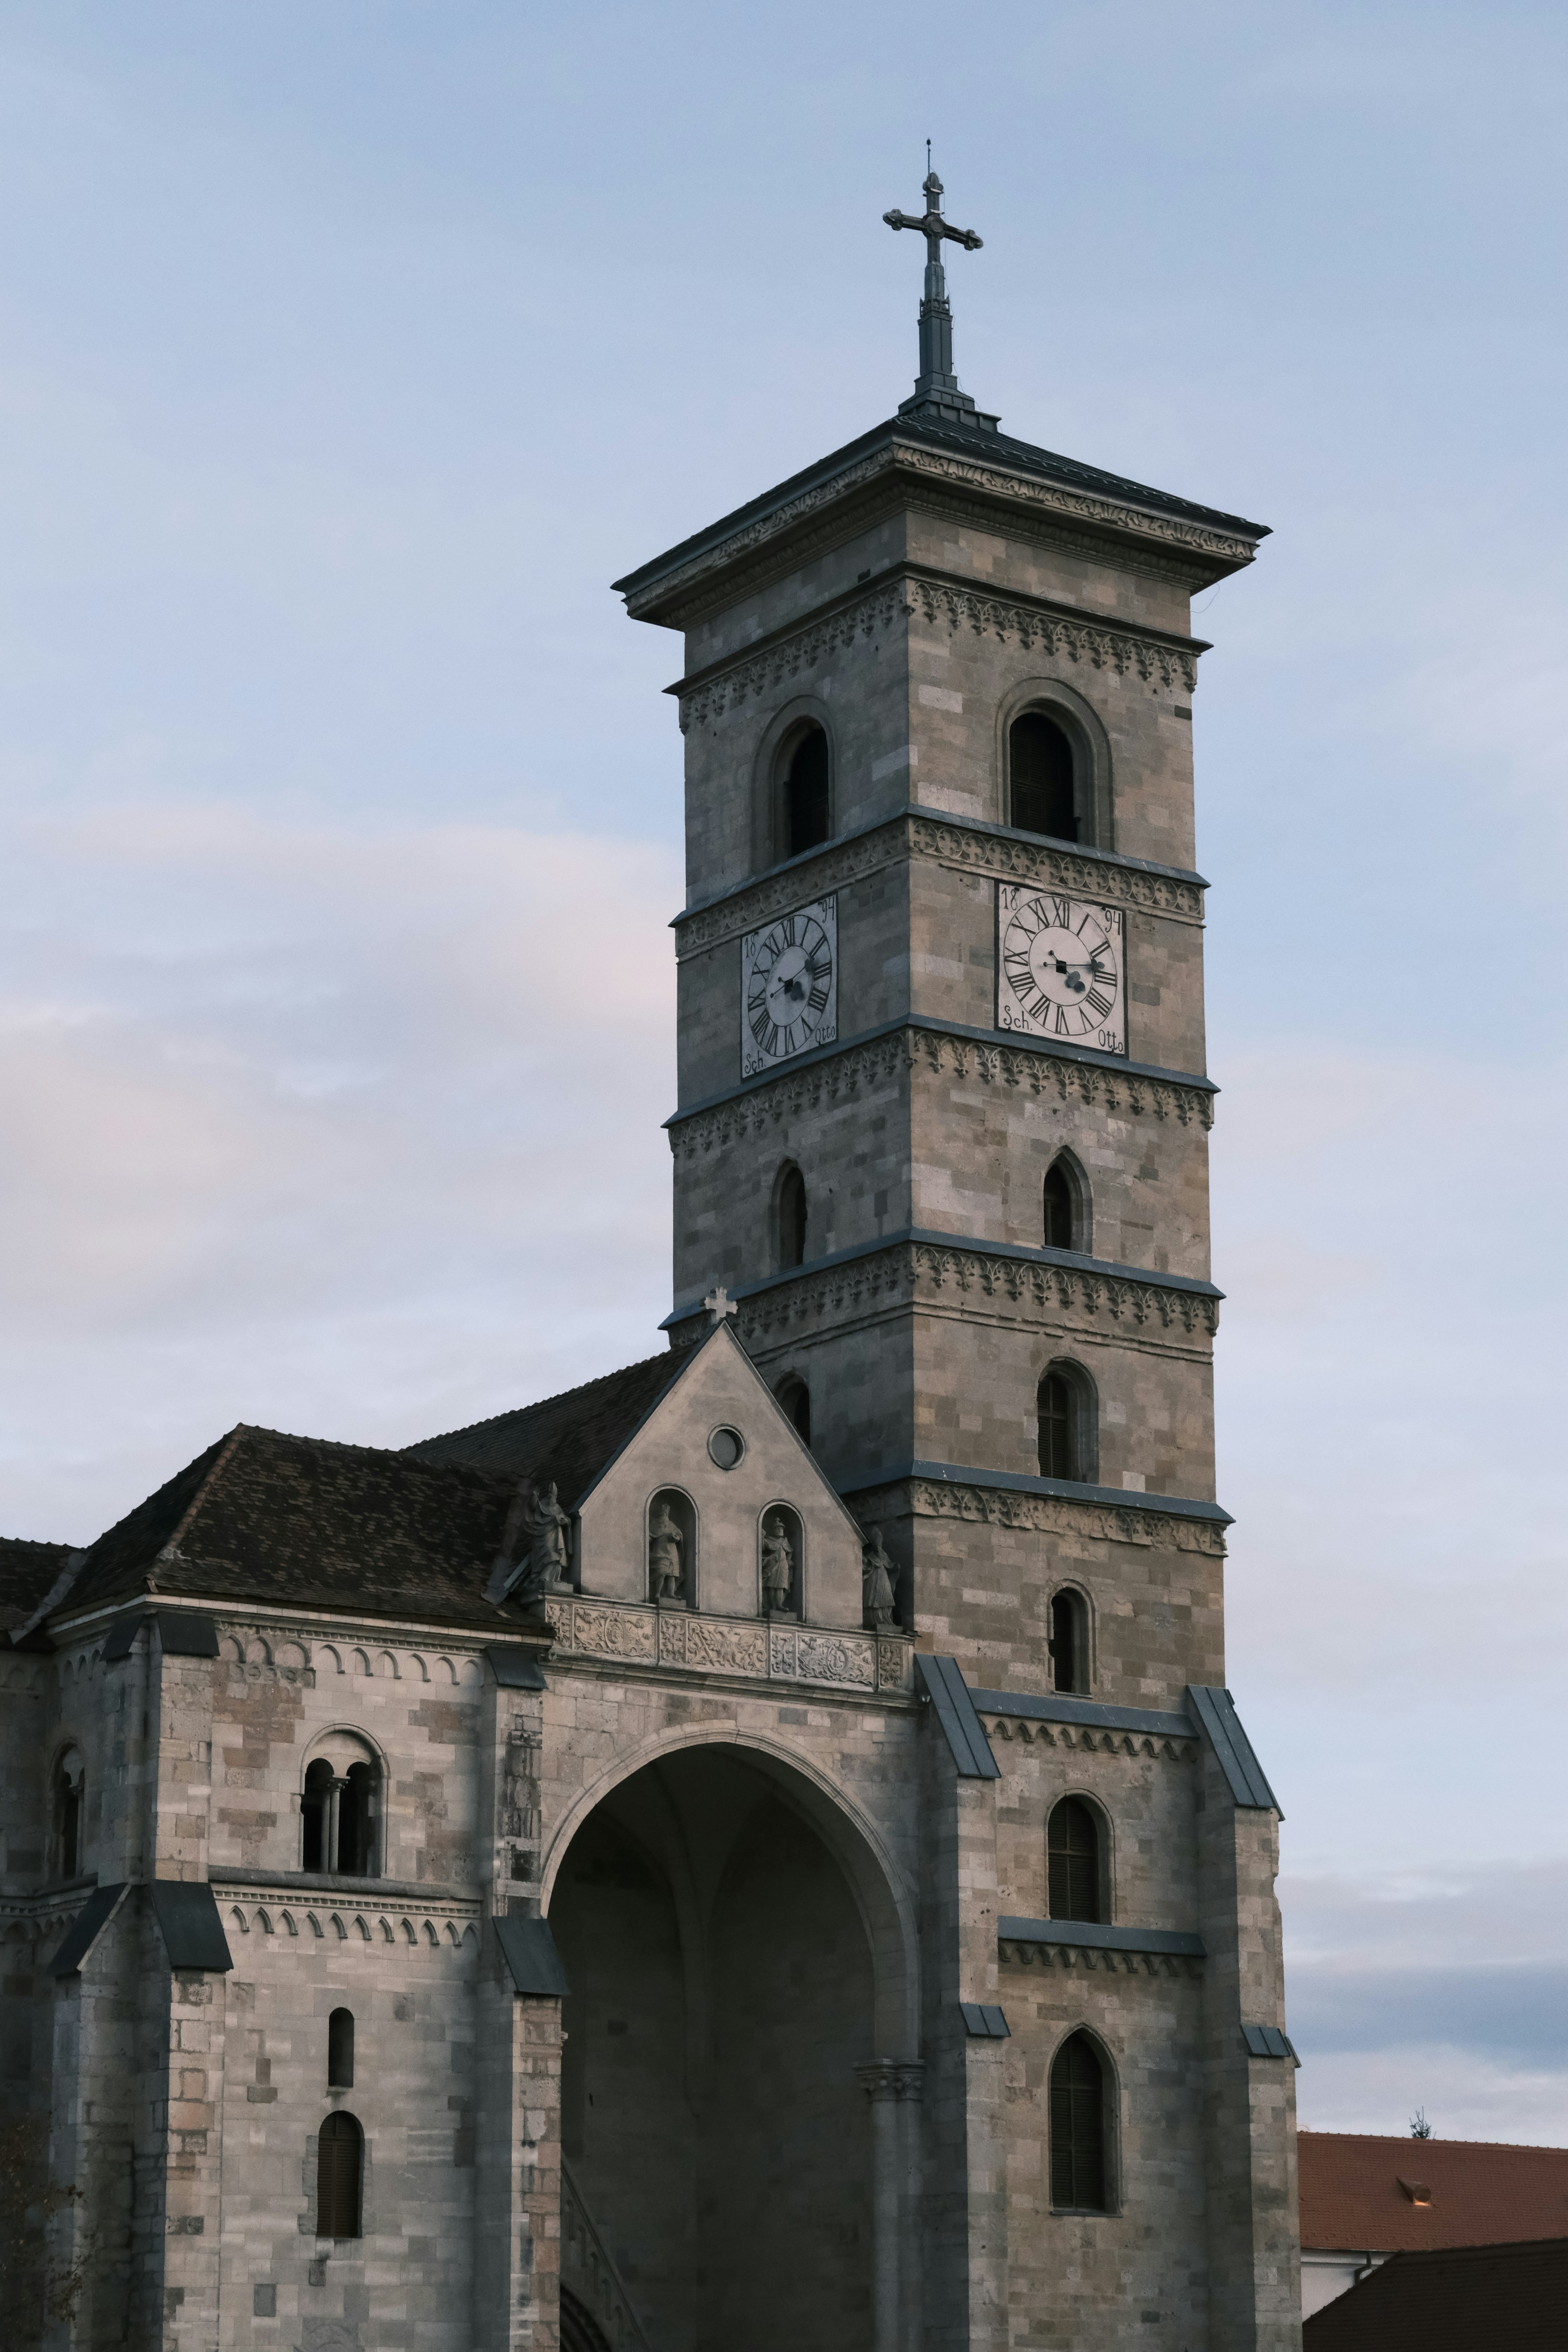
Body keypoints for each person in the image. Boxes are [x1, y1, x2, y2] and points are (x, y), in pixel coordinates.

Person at [648, 1499, 685, 1600]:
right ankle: (657, 1594)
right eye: (663, 1515)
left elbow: (679, 1536)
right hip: (661, 1549)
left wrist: (676, 1538)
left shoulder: (671, 1525)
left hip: (672, 1551)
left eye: (666, 1515)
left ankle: (671, 1593)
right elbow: (650, 1535)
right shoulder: (654, 1523)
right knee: (662, 1572)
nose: (665, 1518)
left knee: (672, 1574)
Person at [861, 1525, 898, 1627]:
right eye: (877, 1544)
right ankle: (874, 1618)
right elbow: (865, 1565)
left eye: (880, 1544)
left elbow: (888, 1564)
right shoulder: (869, 1554)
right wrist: (865, 1560)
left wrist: (895, 1567)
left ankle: (886, 1619)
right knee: (873, 1598)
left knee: (886, 1596)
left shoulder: (883, 1553)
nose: (879, 1546)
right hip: (873, 1577)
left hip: (883, 1576)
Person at [760, 1514, 794, 1612]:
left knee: (781, 1586)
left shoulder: (785, 1541)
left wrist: (788, 1560)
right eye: (778, 1528)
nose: (780, 1530)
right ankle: (774, 1606)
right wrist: (762, 1536)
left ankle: (780, 1605)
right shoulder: (770, 1540)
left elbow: (790, 1551)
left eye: (781, 1528)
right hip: (773, 1564)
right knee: (772, 1586)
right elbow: (763, 1546)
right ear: (774, 1530)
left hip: (783, 1566)